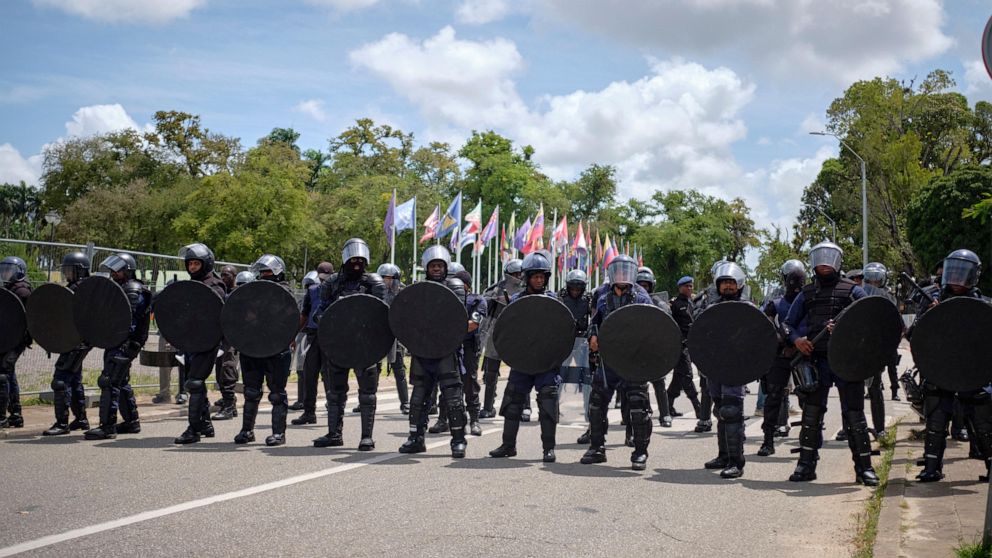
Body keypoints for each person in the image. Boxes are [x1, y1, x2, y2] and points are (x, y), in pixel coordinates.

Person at [785, 241, 878, 486]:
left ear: (838, 261)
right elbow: (787, 324)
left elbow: (869, 320)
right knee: (812, 415)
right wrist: (797, 341)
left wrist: (847, 328)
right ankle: (806, 466)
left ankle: (864, 468)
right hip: (816, 360)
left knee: (855, 415)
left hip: (847, 360)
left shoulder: (853, 290)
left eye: (829, 257)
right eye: (820, 257)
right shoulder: (806, 293)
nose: (824, 262)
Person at [912, 249, 992, 482]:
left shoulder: (984, 305)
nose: (957, 277)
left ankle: (990, 466)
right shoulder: (932, 303)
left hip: (972, 371)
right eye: (953, 272)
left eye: (962, 272)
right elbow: (915, 337)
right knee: (936, 419)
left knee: (983, 422)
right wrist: (931, 317)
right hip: (941, 370)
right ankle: (931, 466)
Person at [310, 240, 387, 450]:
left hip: (365, 344)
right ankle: (334, 433)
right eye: (353, 259)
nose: (357, 263)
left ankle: (366, 436)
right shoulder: (332, 283)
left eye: (360, 260)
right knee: (335, 392)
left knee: (367, 393)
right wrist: (331, 319)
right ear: (346, 259)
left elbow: (382, 313)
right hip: (339, 343)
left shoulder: (374, 282)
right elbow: (320, 312)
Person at [581, 255, 655, 471]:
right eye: (618, 270)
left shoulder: (642, 298)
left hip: (634, 360)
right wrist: (593, 336)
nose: (622, 274)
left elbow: (652, 326)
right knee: (597, 402)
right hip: (609, 359)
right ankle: (596, 448)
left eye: (626, 270)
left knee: (638, 407)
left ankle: (640, 451)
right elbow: (595, 323)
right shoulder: (603, 299)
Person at [399, 245, 470, 458]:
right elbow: (409, 317)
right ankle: (415, 438)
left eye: (440, 265)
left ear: (445, 267)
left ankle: (458, 440)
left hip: (446, 349)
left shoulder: (454, 286)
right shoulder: (418, 288)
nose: (437, 269)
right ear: (427, 268)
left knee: (453, 398)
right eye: (433, 266)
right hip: (423, 349)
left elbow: (455, 317)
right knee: (419, 397)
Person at [489, 251, 561, 462]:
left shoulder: (553, 301)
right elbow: (507, 332)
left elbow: (562, 331)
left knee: (548, 404)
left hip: (546, 361)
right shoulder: (516, 302)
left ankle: (549, 448)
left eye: (542, 276)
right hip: (522, 360)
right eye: (535, 276)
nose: (539, 280)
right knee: (512, 403)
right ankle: (508, 445)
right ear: (527, 277)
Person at [84, 253, 150, 440]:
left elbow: (128, 321)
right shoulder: (120, 287)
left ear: (127, 270)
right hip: (117, 341)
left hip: (125, 343)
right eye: (113, 270)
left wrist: (124, 345)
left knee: (109, 381)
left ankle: (107, 426)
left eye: (118, 270)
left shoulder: (133, 289)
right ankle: (131, 422)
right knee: (121, 381)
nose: (114, 273)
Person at [171, 244, 230, 443]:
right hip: (190, 341)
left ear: (206, 264)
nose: (193, 267)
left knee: (194, 383)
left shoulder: (215, 284)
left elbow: (214, 313)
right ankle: (205, 424)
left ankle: (193, 429)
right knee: (195, 384)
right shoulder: (189, 285)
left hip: (207, 342)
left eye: (197, 263)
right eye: (191, 264)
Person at [699, 262, 751, 479]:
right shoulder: (710, 308)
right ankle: (723, 455)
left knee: (732, 411)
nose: (728, 287)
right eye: (724, 283)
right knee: (720, 410)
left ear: (738, 284)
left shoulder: (748, 308)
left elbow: (755, 337)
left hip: (735, 366)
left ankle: (736, 461)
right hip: (715, 365)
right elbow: (701, 334)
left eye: (731, 283)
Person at [756, 260, 806, 456]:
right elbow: (765, 329)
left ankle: (808, 441)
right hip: (780, 355)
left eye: (799, 279)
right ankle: (768, 440)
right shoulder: (775, 304)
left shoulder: (809, 301)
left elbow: (813, 325)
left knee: (807, 397)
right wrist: (783, 341)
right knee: (773, 397)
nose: (795, 283)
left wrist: (798, 344)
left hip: (803, 355)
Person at [429, 269, 486, 436]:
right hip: (450, 346)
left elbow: (473, 323)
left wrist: (451, 328)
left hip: (468, 347)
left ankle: (474, 420)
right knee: (447, 382)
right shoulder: (446, 300)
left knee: (469, 383)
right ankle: (442, 419)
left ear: (466, 286)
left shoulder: (477, 300)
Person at [43, 252, 94, 435]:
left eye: (70, 270)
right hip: (74, 342)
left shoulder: (81, 289)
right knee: (73, 380)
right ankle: (81, 419)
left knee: (60, 380)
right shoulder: (76, 288)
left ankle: (62, 423)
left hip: (77, 342)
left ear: (80, 270)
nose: (67, 274)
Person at [478, 259, 524, 418]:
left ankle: (525, 408)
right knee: (490, 372)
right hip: (497, 329)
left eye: (520, 273)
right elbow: (485, 306)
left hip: (519, 331)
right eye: (514, 274)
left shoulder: (527, 289)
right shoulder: (497, 288)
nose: (518, 277)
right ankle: (488, 407)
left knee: (522, 370)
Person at [290, 262, 334, 424]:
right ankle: (309, 412)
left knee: (331, 375)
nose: (324, 281)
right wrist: (293, 335)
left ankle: (334, 408)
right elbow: (304, 314)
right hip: (313, 336)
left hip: (331, 336)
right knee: (310, 374)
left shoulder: (337, 289)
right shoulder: (312, 291)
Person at [862, 261, 899, 435]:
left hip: (877, 347)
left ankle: (880, 428)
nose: (874, 282)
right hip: (859, 344)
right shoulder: (858, 293)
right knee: (851, 390)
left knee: (875, 387)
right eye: (871, 278)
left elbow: (894, 323)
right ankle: (850, 427)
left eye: (877, 279)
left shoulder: (889, 297)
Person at [558, 270, 594, 445]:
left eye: (578, 287)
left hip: (582, 341)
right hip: (565, 340)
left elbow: (593, 319)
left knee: (587, 380)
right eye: (573, 286)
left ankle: (589, 414)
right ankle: (553, 409)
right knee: (558, 377)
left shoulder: (588, 300)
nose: (575, 290)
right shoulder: (560, 298)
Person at [636, 266, 673, 428]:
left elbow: (666, 326)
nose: (643, 288)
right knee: (637, 384)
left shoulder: (659, 303)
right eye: (640, 285)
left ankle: (665, 414)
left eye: (646, 285)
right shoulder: (632, 301)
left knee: (659, 383)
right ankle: (642, 412)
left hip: (654, 347)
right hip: (637, 347)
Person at [0, 256, 32, 429]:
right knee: (9, 374)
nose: (6, 273)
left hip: (17, 339)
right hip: (7, 338)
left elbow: (23, 320)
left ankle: (2, 416)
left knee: (3, 372)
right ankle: (16, 414)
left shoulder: (23, 291)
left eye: (9, 270)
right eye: (4, 270)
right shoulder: (9, 289)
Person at [667, 276, 702, 423]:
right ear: (680, 287)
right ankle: (698, 407)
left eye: (691, 286)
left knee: (678, 378)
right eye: (686, 286)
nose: (689, 289)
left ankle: (668, 404)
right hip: (680, 345)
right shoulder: (675, 305)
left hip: (692, 343)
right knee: (687, 375)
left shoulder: (691, 303)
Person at [377, 263, 410, 414]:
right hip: (378, 332)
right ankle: (365, 398)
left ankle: (405, 402)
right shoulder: (375, 290)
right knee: (372, 369)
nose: (387, 281)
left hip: (395, 334)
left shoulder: (402, 293)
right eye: (384, 278)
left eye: (390, 278)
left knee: (399, 369)